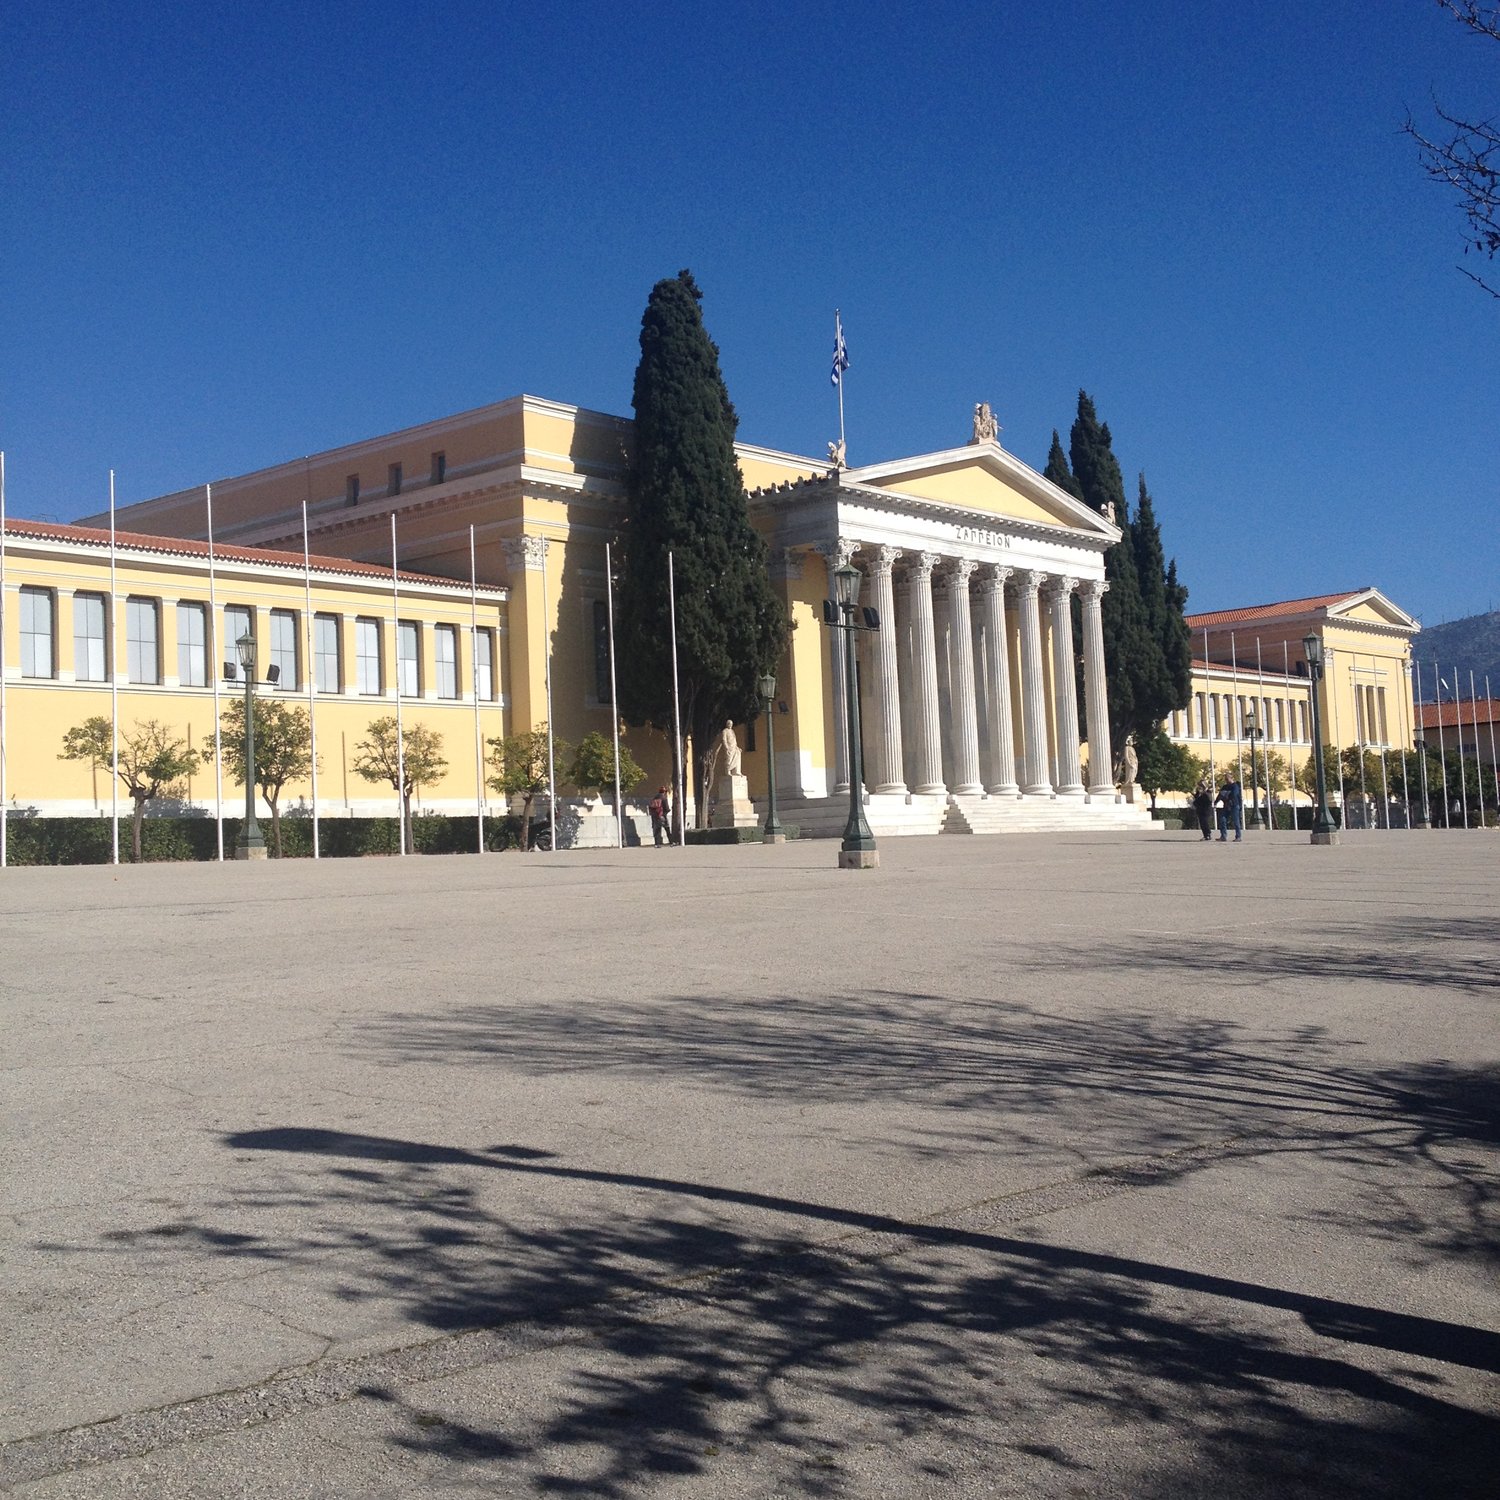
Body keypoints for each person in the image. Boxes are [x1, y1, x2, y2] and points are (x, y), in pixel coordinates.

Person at [1215, 775, 1244, 842]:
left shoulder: (1235, 786)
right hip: (1226, 805)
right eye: (1225, 779)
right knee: (1222, 819)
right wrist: (1216, 802)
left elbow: (1234, 794)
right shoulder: (1225, 786)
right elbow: (1220, 794)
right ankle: (1223, 836)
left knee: (1236, 821)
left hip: (1234, 805)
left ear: (1231, 778)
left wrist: (1226, 794)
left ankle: (1238, 836)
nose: (1226, 781)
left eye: (1227, 779)